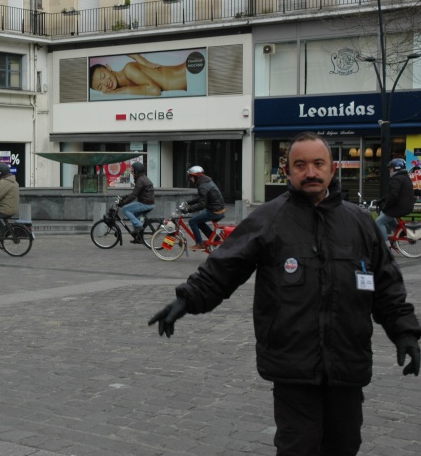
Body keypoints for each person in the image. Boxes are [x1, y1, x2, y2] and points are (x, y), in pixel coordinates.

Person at [148, 132, 420, 456]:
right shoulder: (268, 218)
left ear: (332, 169)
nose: (310, 172)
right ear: (288, 170)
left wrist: (404, 332)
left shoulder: (360, 222)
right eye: (300, 164)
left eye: (318, 164)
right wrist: (186, 299)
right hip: (293, 363)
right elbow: (224, 267)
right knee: (297, 447)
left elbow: (387, 283)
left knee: (344, 444)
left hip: (347, 360)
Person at [89, 53, 187, 96]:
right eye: (100, 87)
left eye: (103, 76)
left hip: (189, 73)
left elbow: (155, 90)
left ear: (108, 67)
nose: (105, 83)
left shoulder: (128, 69)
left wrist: (124, 90)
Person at [181, 166, 226, 251]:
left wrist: (188, 209)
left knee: (192, 221)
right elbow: (202, 197)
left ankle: (199, 244)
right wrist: (188, 202)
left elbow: (202, 204)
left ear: (195, 176)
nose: (190, 179)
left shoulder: (202, 186)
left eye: (190, 177)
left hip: (215, 211)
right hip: (218, 209)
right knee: (199, 222)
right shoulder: (206, 182)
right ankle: (215, 238)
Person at [375, 158, 415, 245]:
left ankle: (386, 245)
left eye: (391, 168)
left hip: (399, 207)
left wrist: (386, 206)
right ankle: (401, 234)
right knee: (389, 220)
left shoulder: (396, 179)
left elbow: (393, 195)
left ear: (396, 168)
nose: (390, 170)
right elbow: (393, 194)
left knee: (379, 221)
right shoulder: (405, 178)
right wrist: (381, 200)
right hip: (406, 206)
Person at [118, 161, 155, 243]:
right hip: (149, 203)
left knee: (125, 209)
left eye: (132, 171)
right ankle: (138, 237)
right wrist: (125, 197)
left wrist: (123, 203)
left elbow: (134, 195)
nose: (131, 173)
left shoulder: (140, 180)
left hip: (145, 203)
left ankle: (139, 226)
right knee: (134, 216)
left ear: (137, 171)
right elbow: (135, 193)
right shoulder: (142, 178)